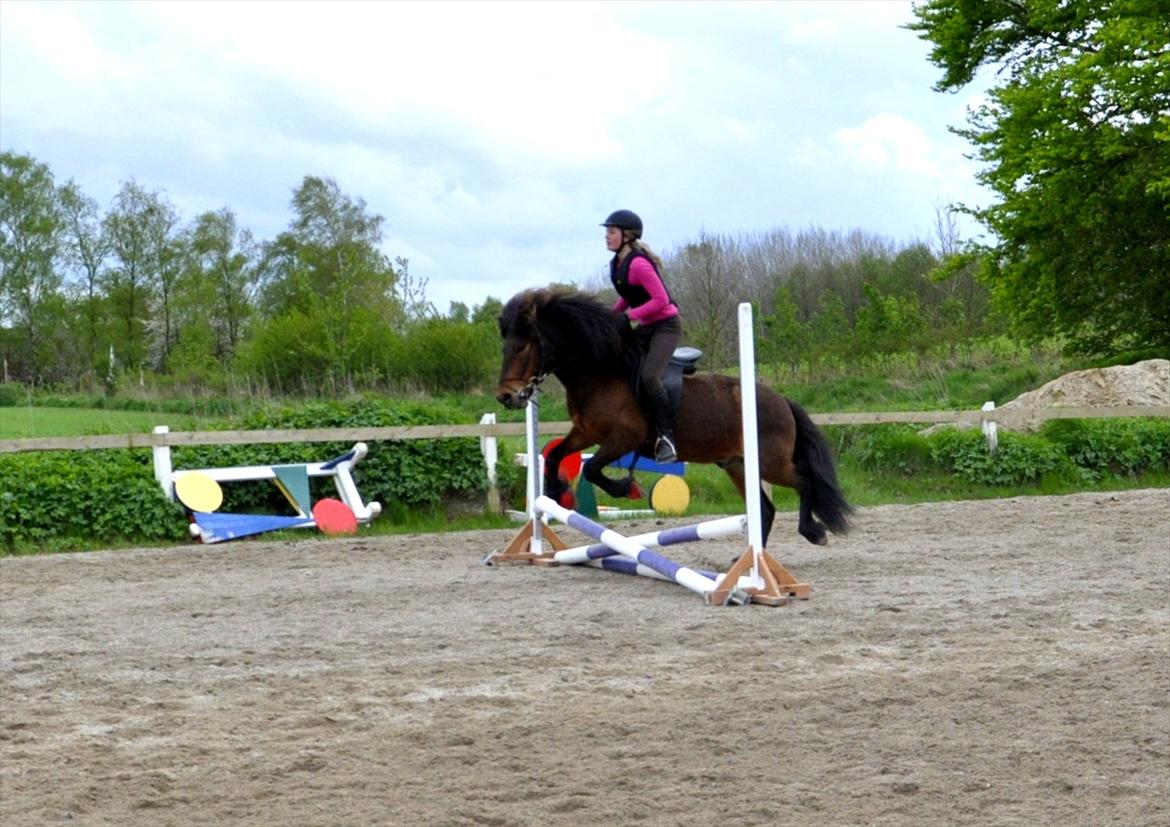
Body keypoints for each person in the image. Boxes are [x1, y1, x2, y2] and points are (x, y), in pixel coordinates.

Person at [601, 209, 682, 463]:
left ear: (627, 235)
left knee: (649, 376)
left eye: (611, 232)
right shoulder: (618, 264)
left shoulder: (639, 264)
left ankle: (666, 436)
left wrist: (629, 316)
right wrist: (610, 316)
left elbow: (662, 300)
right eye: (607, 232)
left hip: (666, 326)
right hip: (647, 326)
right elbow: (629, 296)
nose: (607, 237)